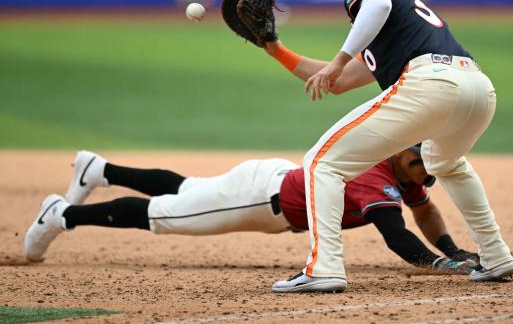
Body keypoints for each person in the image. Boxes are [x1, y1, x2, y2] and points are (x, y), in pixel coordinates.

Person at [267, 0, 513, 293]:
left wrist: (337, 59)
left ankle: (324, 268)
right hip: (477, 87)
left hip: (432, 83)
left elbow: (377, 4)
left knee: (323, 163)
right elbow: (337, 82)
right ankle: (496, 256)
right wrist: (274, 49)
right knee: (446, 162)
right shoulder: (404, 20)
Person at [24, 148, 478, 280]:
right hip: (263, 199)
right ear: (403, 153)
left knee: (190, 190)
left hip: (272, 184)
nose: (423, 173)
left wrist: (452, 250)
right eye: (419, 162)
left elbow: (426, 211)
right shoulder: (373, 174)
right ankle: (62, 214)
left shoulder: (406, 168)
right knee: (170, 214)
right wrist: (440, 264)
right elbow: (396, 234)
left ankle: (98, 169)